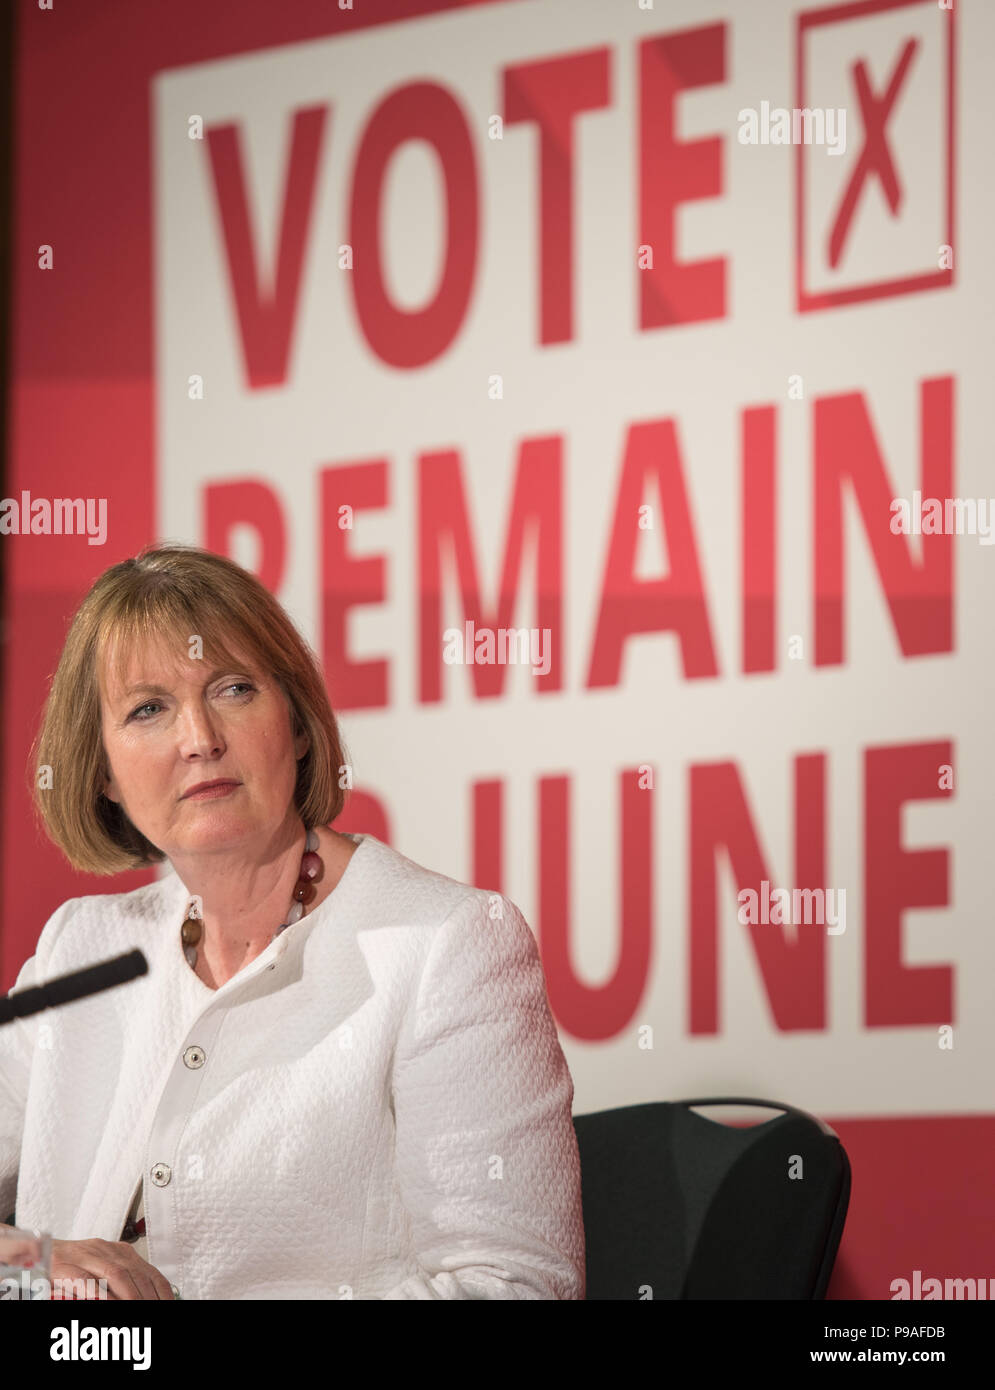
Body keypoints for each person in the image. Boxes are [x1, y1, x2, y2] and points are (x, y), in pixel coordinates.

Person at [0, 543, 585, 1299]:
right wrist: (29, 1258)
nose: (199, 738)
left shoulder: (447, 946)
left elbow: (517, 1288)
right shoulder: (79, 951)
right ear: (104, 772)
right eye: (148, 709)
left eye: (234, 689)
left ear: (298, 724)